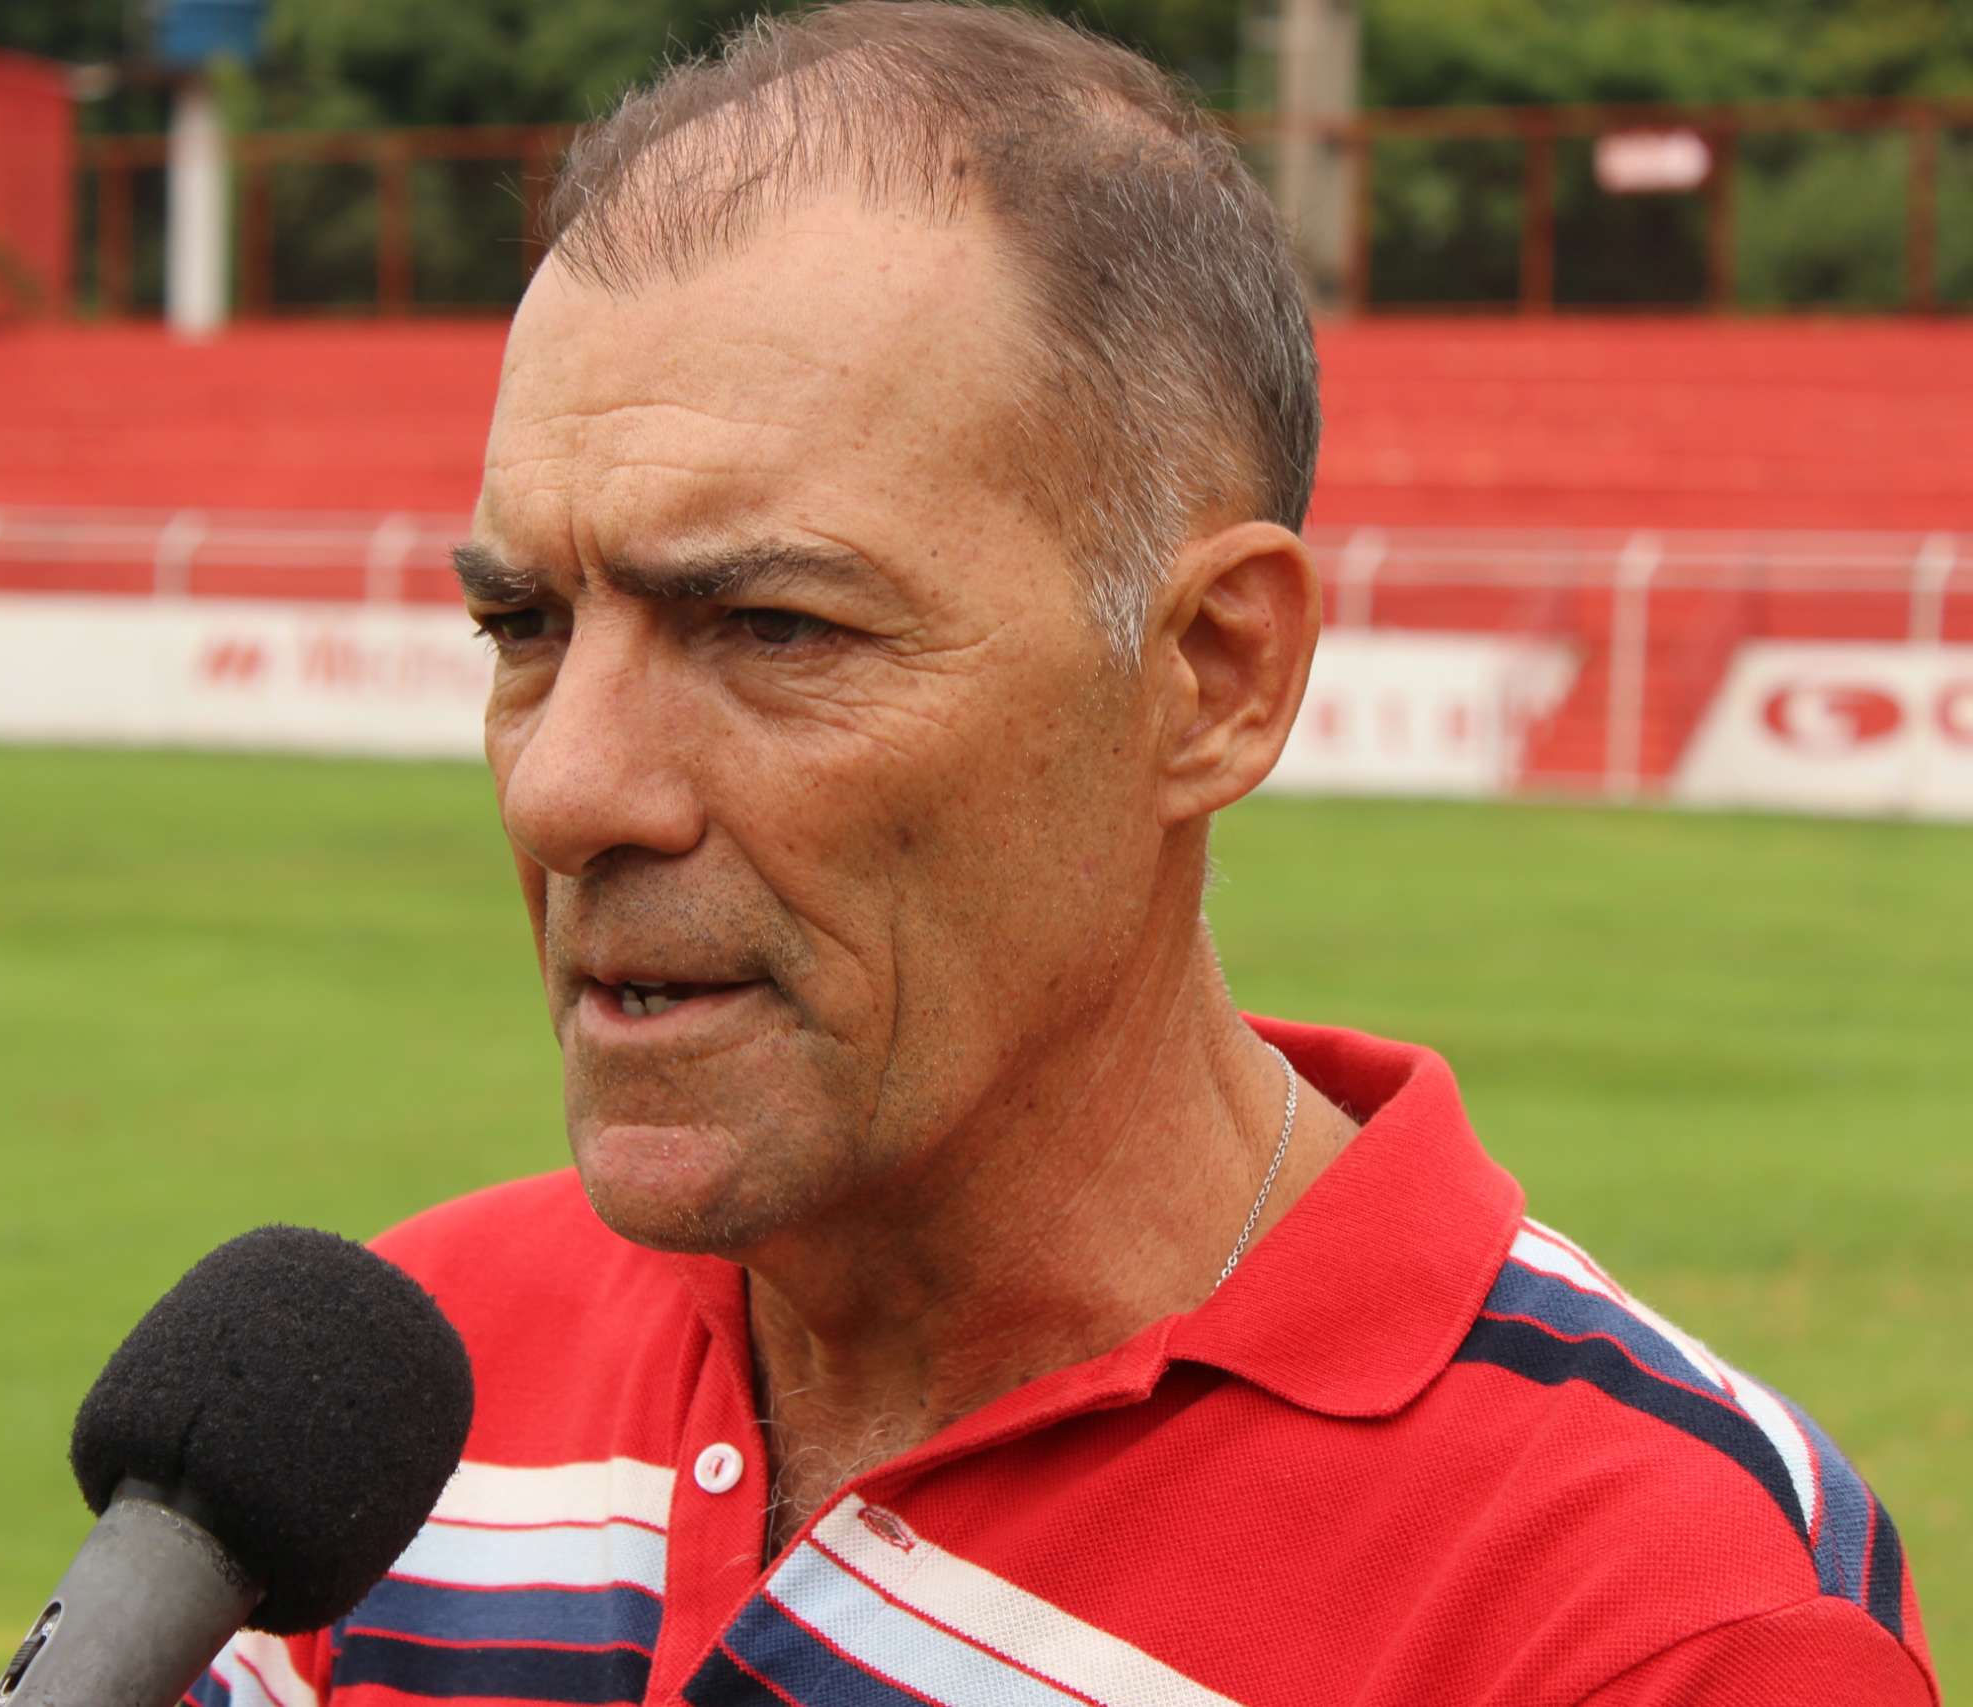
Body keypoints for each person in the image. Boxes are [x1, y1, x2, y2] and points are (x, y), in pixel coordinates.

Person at [195, 4, 1936, 1702]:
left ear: (1212, 679)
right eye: (524, 625)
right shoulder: (383, 1420)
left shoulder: (1656, 1624)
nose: (564, 792)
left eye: (775, 627)